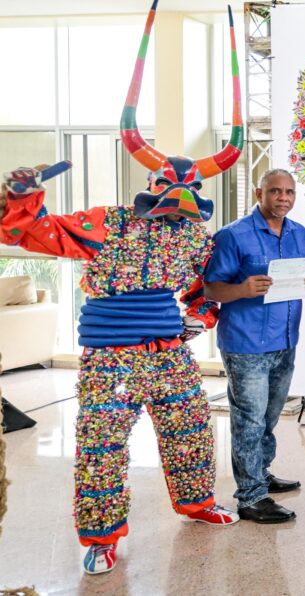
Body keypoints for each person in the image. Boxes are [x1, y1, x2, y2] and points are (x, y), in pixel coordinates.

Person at [0, 3, 244, 574]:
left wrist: (200, 318)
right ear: (152, 186)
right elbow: (31, 233)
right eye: (170, 192)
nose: (178, 203)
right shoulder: (108, 223)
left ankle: (197, 502)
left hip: (169, 355)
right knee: (101, 448)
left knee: (191, 430)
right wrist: (21, 195)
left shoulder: (194, 236)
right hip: (109, 357)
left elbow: (203, 290)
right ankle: (101, 537)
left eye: (188, 196)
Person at [204, 169, 305, 522]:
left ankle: (260, 474)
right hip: (246, 342)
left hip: (285, 339)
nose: (283, 198)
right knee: (249, 420)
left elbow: (304, 276)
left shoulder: (300, 234)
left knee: (269, 417)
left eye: (289, 192)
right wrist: (241, 289)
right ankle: (251, 497)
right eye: (275, 191)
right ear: (259, 193)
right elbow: (210, 288)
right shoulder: (232, 235)